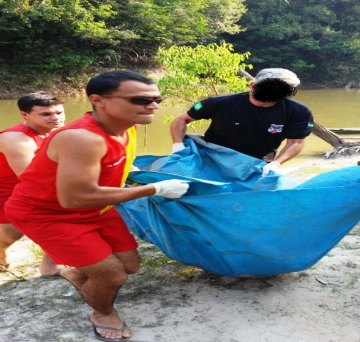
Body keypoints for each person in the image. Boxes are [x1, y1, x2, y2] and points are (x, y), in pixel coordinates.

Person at [5, 71, 189, 342]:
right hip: (48, 214)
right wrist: (154, 189)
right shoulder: (81, 138)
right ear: (98, 100)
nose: (153, 106)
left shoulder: (128, 126)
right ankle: (102, 313)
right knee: (113, 275)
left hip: (95, 207)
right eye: (140, 99)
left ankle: (76, 272)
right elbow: (73, 199)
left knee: (131, 264)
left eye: (156, 99)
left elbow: (110, 167)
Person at [170, 68, 314, 176]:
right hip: (212, 159)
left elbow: (295, 142)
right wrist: (177, 145)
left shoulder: (299, 112)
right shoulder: (219, 103)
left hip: (257, 164)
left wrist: (277, 163)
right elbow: (182, 119)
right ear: (253, 86)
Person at [0, 91, 65, 275]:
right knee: (11, 233)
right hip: (8, 190)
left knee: (61, 214)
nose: (55, 118)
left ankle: (50, 266)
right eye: (46, 114)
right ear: (24, 115)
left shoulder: (59, 132)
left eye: (59, 113)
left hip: (25, 189)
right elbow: (33, 179)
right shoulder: (16, 138)